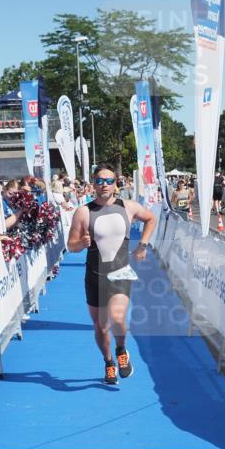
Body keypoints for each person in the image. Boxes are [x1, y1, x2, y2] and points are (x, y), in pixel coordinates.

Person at [66, 165, 157, 385]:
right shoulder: (83, 212)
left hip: (120, 271)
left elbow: (151, 219)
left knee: (116, 318)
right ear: (93, 184)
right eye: (99, 181)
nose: (104, 185)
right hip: (94, 275)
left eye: (109, 181)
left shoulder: (128, 207)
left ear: (116, 183)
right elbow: (71, 245)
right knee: (100, 327)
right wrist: (82, 242)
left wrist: (143, 245)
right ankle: (108, 362)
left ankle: (121, 349)